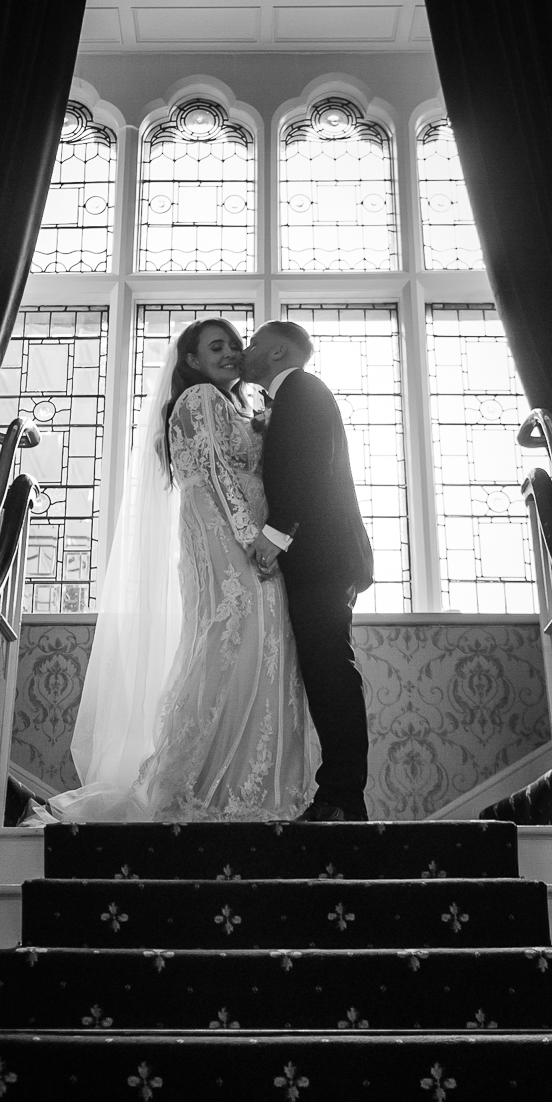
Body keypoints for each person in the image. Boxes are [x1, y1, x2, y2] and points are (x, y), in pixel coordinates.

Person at [50, 319, 315, 822]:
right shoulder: (198, 402)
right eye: (217, 347)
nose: (233, 352)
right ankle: (194, 784)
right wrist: (252, 542)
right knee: (229, 643)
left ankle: (252, 785)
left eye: (236, 343)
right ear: (192, 361)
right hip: (225, 544)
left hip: (257, 545)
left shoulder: (244, 404)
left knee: (264, 649)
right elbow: (214, 474)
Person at [243, 321, 375, 822]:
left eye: (253, 343)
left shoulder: (302, 390)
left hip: (323, 555)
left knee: (330, 673)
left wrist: (275, 536)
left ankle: (342, 796)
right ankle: (339, 794)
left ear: (277, 351)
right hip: (324, 556)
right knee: (324, 672)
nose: (246, 350)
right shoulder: (292, 396)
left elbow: (308, 468)